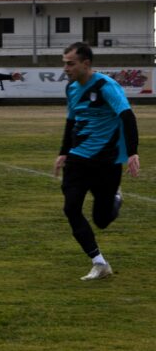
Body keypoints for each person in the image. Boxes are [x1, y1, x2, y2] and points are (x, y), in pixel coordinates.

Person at [53, 41, 140, 281]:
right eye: (64, 63)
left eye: (70, 64)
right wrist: (63, 152)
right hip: (78, 159)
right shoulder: (71, 88)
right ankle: (99, 262)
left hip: (106, 161)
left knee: (101, 220)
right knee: (71, 207)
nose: (66, 68)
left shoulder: (106, 86)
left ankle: (115, 198)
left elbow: (127, 116)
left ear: (86, 63)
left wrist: (132, 152)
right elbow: (72, 121)